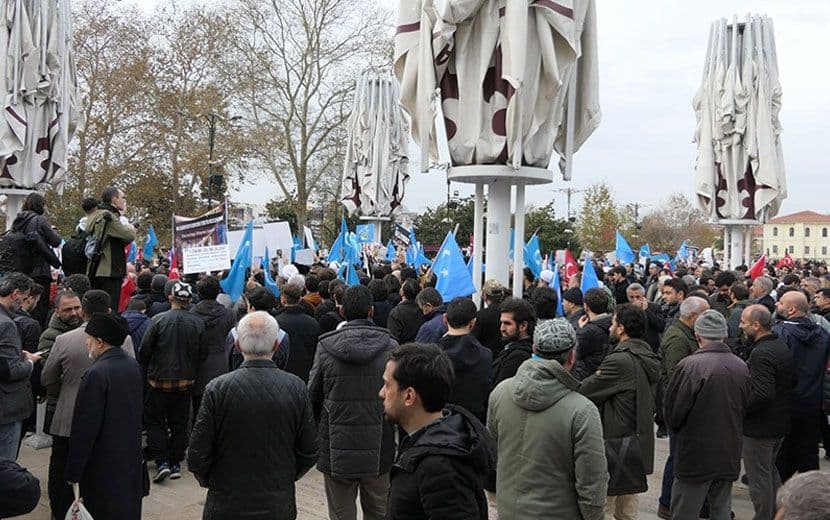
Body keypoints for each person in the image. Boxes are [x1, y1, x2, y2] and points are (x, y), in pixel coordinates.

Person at [188, 311, 318, 520]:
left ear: (237, 346)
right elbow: (309, 450)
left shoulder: (217, 389)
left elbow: (197, 453)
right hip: (277, 503)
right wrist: (286, 477)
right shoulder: (296, 388)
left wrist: (211, 480)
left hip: (226, 502)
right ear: (276, 345)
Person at [488, 318, 607, 519]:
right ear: (572, 356)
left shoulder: (500, 393)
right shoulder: (583, 411)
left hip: (509, 510)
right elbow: (592, 481)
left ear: (534, 348)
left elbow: (492, 455)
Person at [41, 290, 135, 518]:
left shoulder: (65, 341)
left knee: (64, 473)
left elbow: (47, 378)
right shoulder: (125, 341)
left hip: (69, 417)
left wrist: (61, 392)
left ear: (83, 310)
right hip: (111, 423)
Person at [308, 285, 396, 520]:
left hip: (336, 445)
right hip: (379, 445)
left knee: (340, 514)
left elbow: (313, 394)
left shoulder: (326, 346)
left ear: (342, 311)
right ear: (371, 311)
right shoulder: (391, 347)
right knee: (379, 511)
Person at [381, 343, 496, 520]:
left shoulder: (440, 467)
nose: (381, 393)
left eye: (387, 385)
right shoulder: (427, 443)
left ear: (409, 396)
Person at [664, 310, 750, 520]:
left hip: (696, 454)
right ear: (724, 335)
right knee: (721, 507)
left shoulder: (691, 365)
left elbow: (674, 412)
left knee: (685, 509)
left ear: (698, 336)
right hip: (728, 450)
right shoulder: (741, 366)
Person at [580, 304, 660, 520]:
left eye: (613, 324)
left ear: (622, 328)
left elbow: (585, 390)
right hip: (635, 444)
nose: (609, 328)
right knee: (627, 511)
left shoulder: (620, 360)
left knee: (603, 508)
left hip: (615, 445)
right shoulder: (646, 354)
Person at [66, 313, 144, 520]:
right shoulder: (132, 366)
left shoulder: (97, 373)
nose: (86, 342)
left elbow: (85, 428)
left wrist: (73, 471)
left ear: (100, 342)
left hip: (102, 465)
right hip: (128, 461)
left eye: (89, 338)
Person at [139, 281, 207, 483]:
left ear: (171, 298)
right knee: (179, 423)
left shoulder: (158, 320)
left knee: (156, 422)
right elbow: (202, 353)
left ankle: (162, 462)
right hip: (185, 382)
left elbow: (145, 350)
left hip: (158, 381)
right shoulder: (197, 323)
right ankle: (175, 462)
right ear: (188, 300)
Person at [740, 305, 796, 520]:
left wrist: (740, 409)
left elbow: (763, 394)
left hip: (760, 428)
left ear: (756, 325)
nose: (741, 326)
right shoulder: (780, 345)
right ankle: (779, 514)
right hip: (778, 423)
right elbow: (792, 381)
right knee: (769, 473)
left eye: (744, 322)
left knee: (759, 480)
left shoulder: (762, 353)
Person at [657, 296, 710, 517]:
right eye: (704, 315)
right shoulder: (678, 339)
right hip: (680, 410)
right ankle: (667, 503)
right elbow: (673, 380)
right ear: (692, 316)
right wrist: (680, 411)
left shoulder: (685, 334)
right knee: (677, 457)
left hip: (684, 408)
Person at [772, 290, 830, 480]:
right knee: (808, 454)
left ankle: (781, 500)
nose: (776, 305)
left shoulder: (780, 333)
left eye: (780, 303)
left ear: (791, 309)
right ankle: (809, 496)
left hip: (785, 403)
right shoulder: (821, 333)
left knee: (781, 454)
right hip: (812, 403)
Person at [11, 192, 63, 326]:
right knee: (39, 307)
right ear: (39, 205)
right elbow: (56, 241)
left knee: (22, 305)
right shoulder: (39, 220)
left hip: (22, 270)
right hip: (39, 271)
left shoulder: (17, 223)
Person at [0, 273, 37, 460]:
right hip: (6, 407)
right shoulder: (6, 324)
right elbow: (9, 371)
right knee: (6, 467)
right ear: (15, 294)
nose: (22, 304)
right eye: (23, 299)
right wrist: (29, 362)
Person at [437, 297, 493, 422]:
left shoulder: (432, 355)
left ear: (445, 319)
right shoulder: (485, 355)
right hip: (474, 424)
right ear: (473, 323)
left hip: (441, 424)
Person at [191, 276, 236, 424]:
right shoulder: (229, 314)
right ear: (218, 292)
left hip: (198, 368)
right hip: (222, 366)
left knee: (199, 411)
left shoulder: (191, 314)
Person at [85, 186, 136, 309]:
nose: (125, 201)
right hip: (110, 269)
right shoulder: (109, 217)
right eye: (123, 197)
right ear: (114, 199)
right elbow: (129, 235)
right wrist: (130, 227)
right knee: (110, 307)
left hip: (96, 268)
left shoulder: (96, 214)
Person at [277, 281, 321, 382]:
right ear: (300, 299)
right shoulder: (313, 323)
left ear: (283, 300)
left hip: (282, 377)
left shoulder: (276, 324)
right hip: (307, 376)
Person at [490, 297, 536, 391]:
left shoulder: (519, 356)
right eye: (501, 323)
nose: (502, 328)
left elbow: (500, 390)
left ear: (523, 326)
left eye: (507, 323)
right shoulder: (510, 348)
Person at [573, 287, 612, 381]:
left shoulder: (587, 331)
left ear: (586, 306)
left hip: (587, 376)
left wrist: (580, 330)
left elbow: (575, 353)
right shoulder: (613, 323)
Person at [37, 290, 84, 356]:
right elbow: (49, 363)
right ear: (57, 312)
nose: (74, 313)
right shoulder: (49, 337)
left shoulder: (89, 329)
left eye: (77, 308)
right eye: (68, 310)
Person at [626, 283, 665, 354]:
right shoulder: (625, 309)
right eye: (631, 297)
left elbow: (660, 326)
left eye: (638, 297)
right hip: (631, 347)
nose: (634, 299)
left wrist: (646, 311)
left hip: (650, 348)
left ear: (643, 296)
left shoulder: (654, 307)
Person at [473, 279, 508, 357]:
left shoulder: (481, 315)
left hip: (485, 359)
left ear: (484, 295)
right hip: (505, 357)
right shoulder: (509, 313)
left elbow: (474, 340)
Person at [387, 279, 423, 344]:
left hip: (403, 350)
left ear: (402, 292)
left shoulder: (396, 312)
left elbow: (393, 338)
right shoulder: (423, 309)